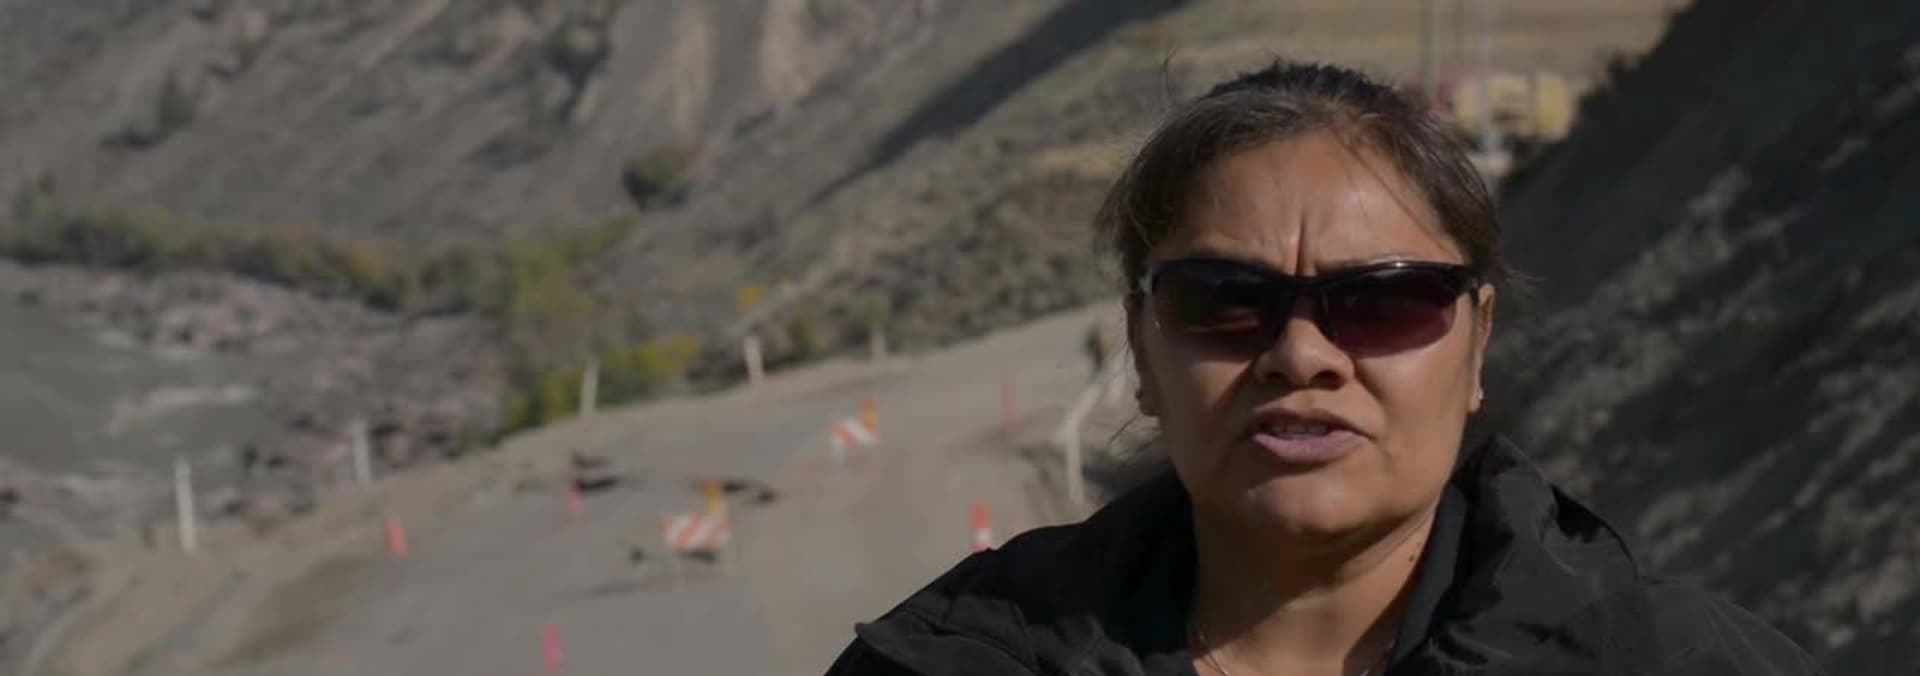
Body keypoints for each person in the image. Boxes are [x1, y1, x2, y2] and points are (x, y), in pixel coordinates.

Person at [822, 60, 1824, 676]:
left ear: (1477, 341)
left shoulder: (1677, 663)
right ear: (1141, 348)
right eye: (1223, 300)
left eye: (1384, 300)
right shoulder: (949, 660)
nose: (1301, 355)